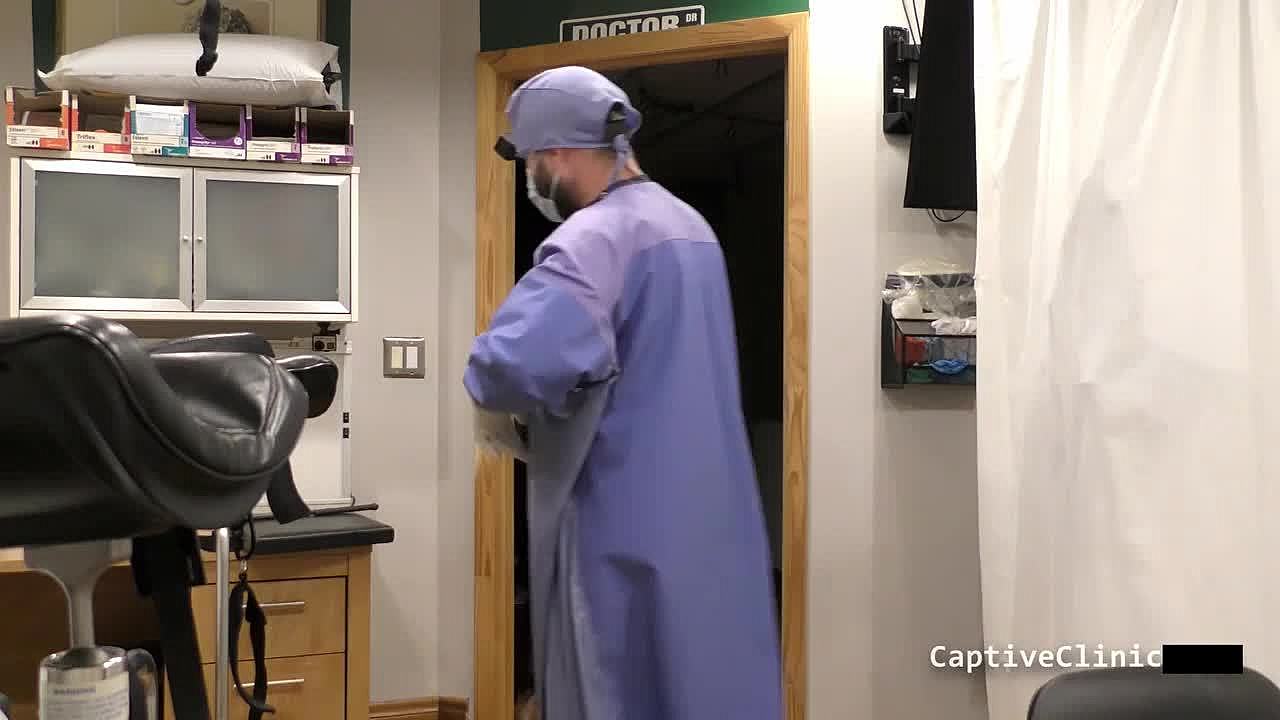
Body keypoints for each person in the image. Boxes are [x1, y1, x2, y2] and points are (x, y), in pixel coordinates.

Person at [464, 65, 782, 720]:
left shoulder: (592, 240)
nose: (532, 180)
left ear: (556, 153)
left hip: (621, 525)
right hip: (710, 526)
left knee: (616, 688)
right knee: (704, 686)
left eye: (530, 163)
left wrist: (494, 402)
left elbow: (510, 364)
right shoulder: (691, 228)